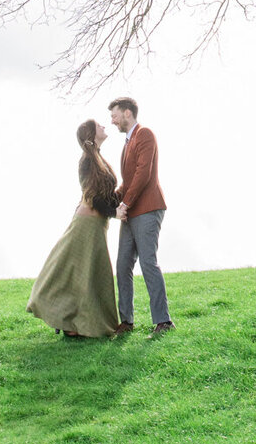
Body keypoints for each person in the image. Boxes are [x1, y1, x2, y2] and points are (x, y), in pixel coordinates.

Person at [27, 120, 122, 339]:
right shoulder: (88, 161)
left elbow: (104, 193)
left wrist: (118, 201)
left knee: (91, 275)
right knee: (76, 272)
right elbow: (93, 197)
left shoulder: (98, 158)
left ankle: (75, 324)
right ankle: (67, 320)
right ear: (91, 133)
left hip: (96, 225)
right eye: (99, 125)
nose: (104, 126)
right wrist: (114, 212)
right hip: (86, 225)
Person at [109, 97, 173, 334]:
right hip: (131, 212)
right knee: (122, 264)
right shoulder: (126, 143)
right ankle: (126, 321)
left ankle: (164, 321)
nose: (112, 121)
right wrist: (108, 202)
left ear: (127, 113)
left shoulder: (145, 134)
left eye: (114, 115)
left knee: (147, 262)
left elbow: (143, 174)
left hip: (147, 208)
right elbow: (127, 183)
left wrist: (124, 203)